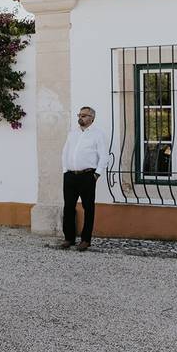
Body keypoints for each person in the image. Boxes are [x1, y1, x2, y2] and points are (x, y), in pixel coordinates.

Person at [57, 106, 107, 252]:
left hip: (87, 176)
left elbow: (104, 156)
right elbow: (65, 152)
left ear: (92, 118)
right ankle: (69, 238)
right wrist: (65, 171)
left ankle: (86, 240)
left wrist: (96, 175)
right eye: (79, 114)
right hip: (70, 176)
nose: (81, 117)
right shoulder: (72, 133)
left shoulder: (98, 135)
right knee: (68, 207)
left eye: (84, 115)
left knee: (88, 208)